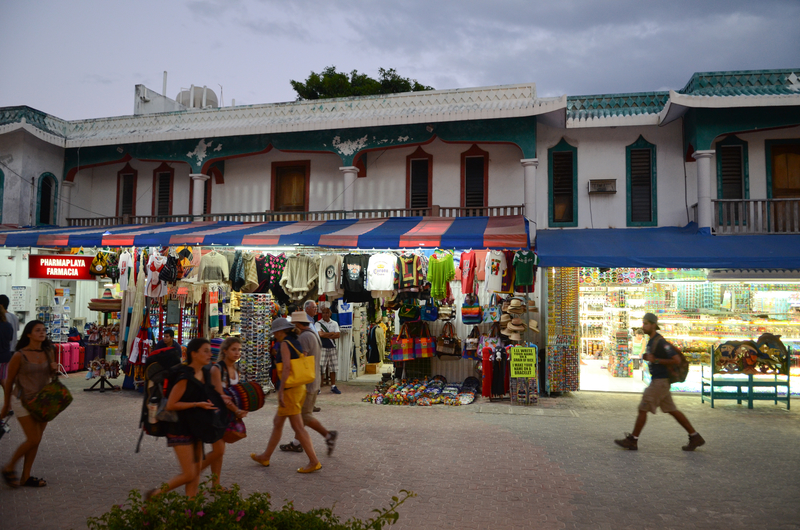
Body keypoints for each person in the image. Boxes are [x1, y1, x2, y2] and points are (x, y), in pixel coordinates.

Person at [615, 313, 705, 451]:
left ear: (653, 325)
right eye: (643, 323)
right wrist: (649, 357)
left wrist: (655, 360)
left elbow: (677, 360)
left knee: (643, 408)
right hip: (659, 381)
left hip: (660, 382)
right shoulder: (652, 341)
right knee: (672, 410)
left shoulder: (661, 342)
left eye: (645, 323)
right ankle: (695, 436)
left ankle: (633, 440)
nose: (643, 326)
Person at [146, 338, 222, 499]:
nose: (210, 354)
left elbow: (207, 395)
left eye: (210, 350)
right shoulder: (184, 377)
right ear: (194, 354)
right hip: (179, 429)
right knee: (189, 474)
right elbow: (171, 405)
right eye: (206, 351)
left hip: (197, 427)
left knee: (195, 475)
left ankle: (190, 512)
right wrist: (197, 404)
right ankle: (156, 494)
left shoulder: (206, 373)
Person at [250, 318, 321, 473]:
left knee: (298, 427)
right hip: (299, 387)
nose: (274, 335)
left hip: (290, 390)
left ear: (280, 331)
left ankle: (314, 461)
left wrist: (281, 391)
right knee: (278, 423)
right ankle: (265, 456)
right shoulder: (295, 341)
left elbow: (287, 367)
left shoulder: (283, 344)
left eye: (275, 332)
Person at [1, 320, 58, 488]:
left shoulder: (49, 352)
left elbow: (50, 375)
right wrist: (6, 405)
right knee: (33, 438)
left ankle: (26, 477)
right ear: (28, 334)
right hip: (22, 400)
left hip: (43, 401)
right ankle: (9, 466)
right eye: (37, 330)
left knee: (36, 440)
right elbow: (9, 380)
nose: (42, 333)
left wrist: (54, 368)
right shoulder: (20, 355)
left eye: (44, 330)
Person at [280, 311, 338, 455]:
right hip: (313, 379)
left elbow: (301, 359)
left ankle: (327, 435)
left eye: (293, 325)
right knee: (300, 416)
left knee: (304, 416)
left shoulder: (304, 337)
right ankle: (296, 443)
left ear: (298, 324)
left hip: (307, 382)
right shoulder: (312, 334)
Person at [202, 336, 247, 488]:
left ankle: (215, 484)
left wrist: (242, 407)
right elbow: (221, 395)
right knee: (218, 450)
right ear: (225, 351)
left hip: (226, 414)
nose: (237, 353)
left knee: (219, 451)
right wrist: (237, 410)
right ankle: (192, 473)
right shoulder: (217, 369)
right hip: (215, 414)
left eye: (239, 350)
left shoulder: (236, 369)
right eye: (234, 349)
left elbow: (236, 393)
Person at [316, 303, 342, 394]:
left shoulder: (334, 323)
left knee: (333, 367)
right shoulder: (318, 323)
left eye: (327, 312)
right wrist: (331, 334)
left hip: (332, 347)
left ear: (330, 313)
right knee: (320, 367)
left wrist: (326, 334)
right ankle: (318, 387)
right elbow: (320, 334)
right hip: (322, 347)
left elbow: (338, 335)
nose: (325, 314)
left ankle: (333, 386)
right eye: (323, 313)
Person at [0, 306, 15, 383]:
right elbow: (10, 338)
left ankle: (8, 393)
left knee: (3, 379)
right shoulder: (8, 325)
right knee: (3, 378)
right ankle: (8, 394)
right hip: (6, 354)